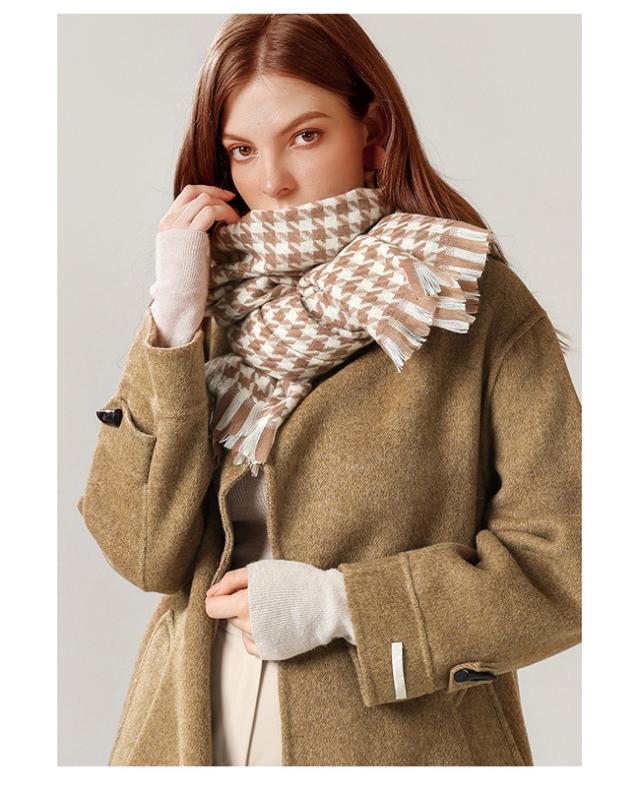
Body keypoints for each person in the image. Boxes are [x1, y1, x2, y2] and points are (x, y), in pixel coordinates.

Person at [77, 14, 581, 767]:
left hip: (401, 743)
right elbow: (145, 554)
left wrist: (342, 608)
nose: (272, 181)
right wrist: (172, 322)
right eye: (243, 150)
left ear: (371, 132)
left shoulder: (466, 301)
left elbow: (572, 562)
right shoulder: (208, 308)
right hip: (187, 733)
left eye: (305, 136)